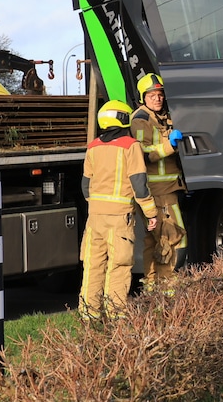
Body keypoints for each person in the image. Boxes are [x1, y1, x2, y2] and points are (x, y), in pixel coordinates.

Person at [80, 100, 157, 319]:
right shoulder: (130, 145)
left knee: (93, 266)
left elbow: (86, 185)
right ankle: (116, 317)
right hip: (119, 218)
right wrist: (151, 214)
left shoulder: (93, 146)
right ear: (123, 119)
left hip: (94, 218)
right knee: (119, 266)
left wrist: (96, 205)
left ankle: (89, 316)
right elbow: (140, 185)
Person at [131, 73, 187, 292]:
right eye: (152, 95)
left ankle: (152, 289)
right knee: (172, 239)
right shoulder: (140, 119)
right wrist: (170, 145)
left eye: (160, 94)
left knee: (152, 242)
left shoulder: (164, 116)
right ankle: (168, 292)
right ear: (143, 97)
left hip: (166, 188)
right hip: (159, 191)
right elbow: (142, 154)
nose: (157, 99)